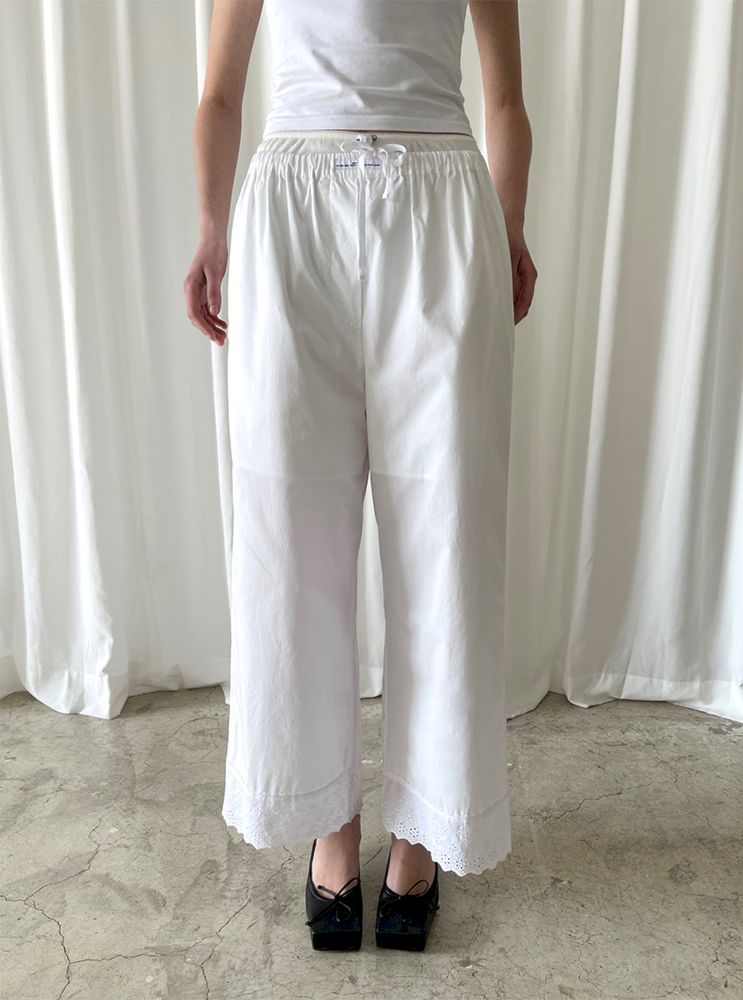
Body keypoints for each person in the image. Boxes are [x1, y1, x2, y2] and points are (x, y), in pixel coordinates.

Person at [184, 0, 537, 952]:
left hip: (439, 196)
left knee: (447, 531)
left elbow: (505, 97)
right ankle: (326, 820)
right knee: (289, 531)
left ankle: (423, 830)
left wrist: (507, 222)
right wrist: (212, 226)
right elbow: (220, 92)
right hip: (293, 204)